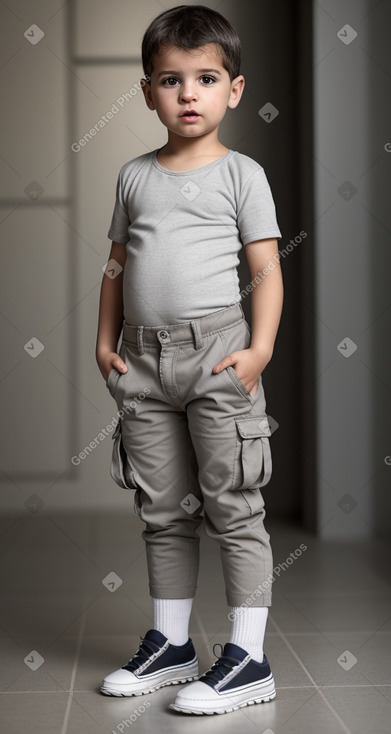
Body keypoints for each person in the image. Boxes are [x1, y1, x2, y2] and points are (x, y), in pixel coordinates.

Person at [96, 4, 283, 716]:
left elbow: (265, 270)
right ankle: (172, 645)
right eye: (170, 80)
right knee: (163, 511)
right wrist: (104, 341)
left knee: (233, 505)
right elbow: (116, 266)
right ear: (147, 92)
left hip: (218, 357)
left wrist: (258, 350)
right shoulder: (133, 176)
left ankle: (247, 657)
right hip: (141, 363)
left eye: (205, 78)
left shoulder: (242, 175)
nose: (188, 94)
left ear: (233, 89)